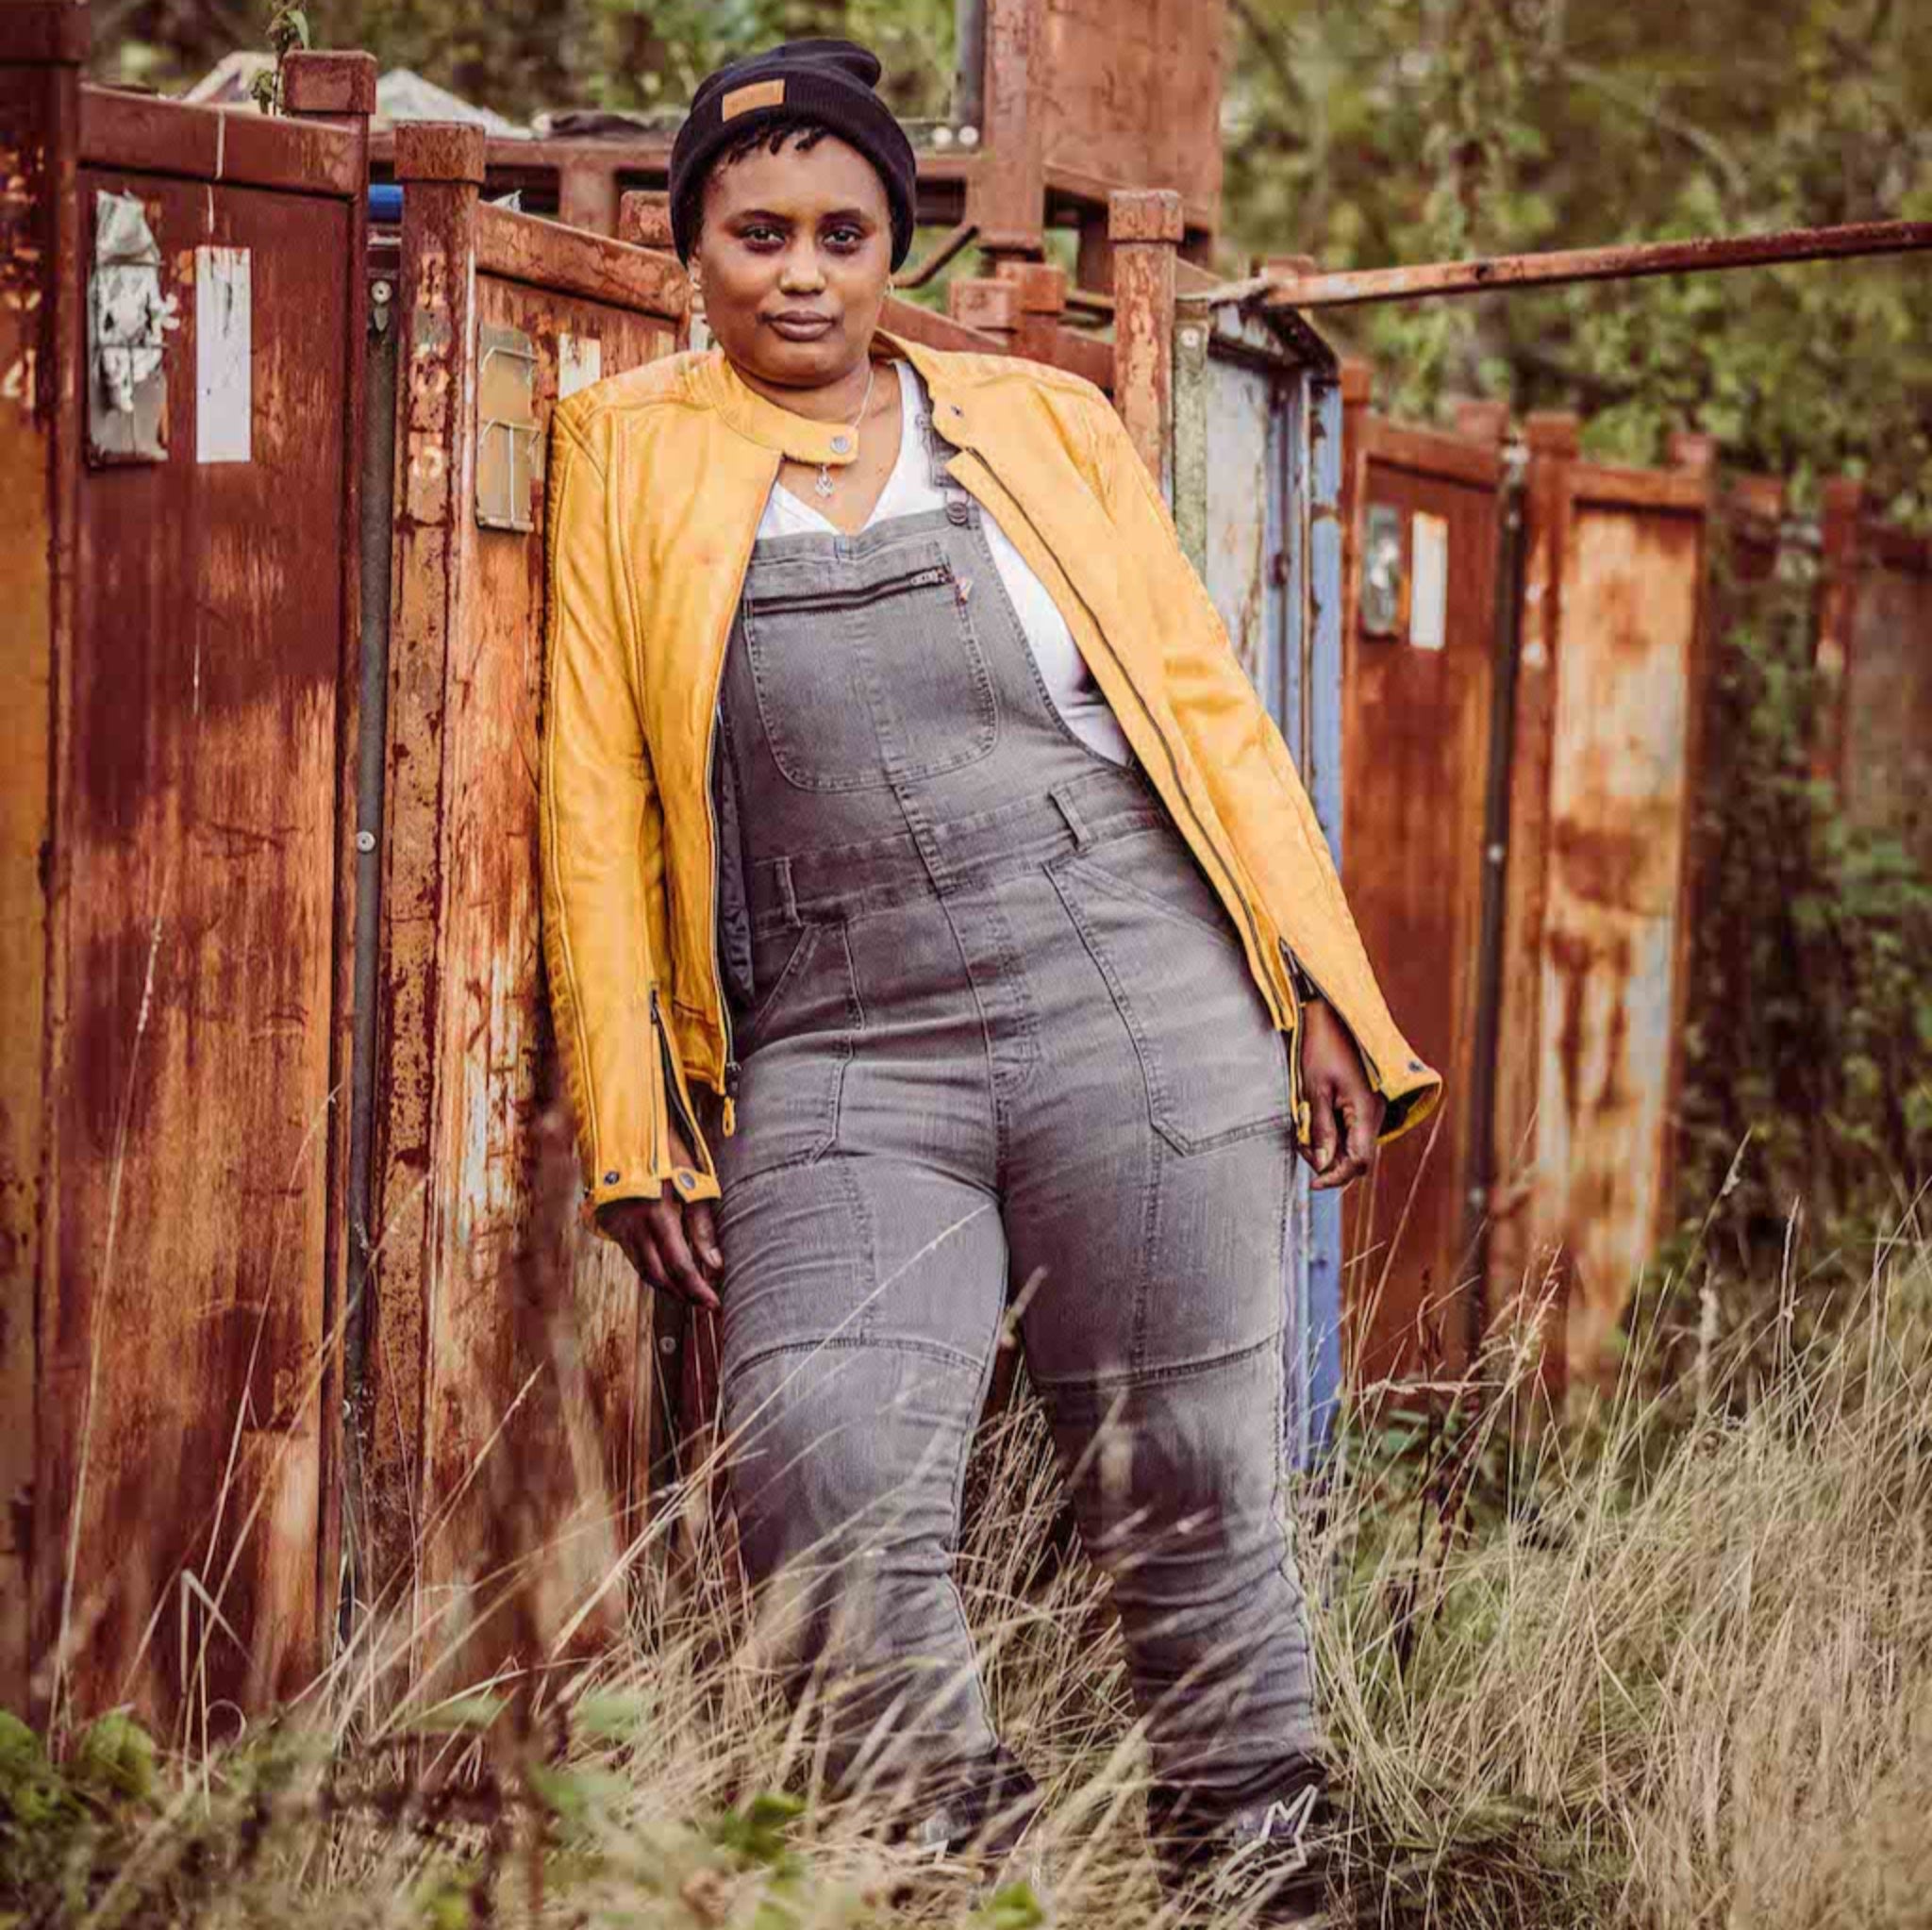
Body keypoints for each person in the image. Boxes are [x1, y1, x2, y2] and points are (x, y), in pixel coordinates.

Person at [538, 36, 1440, 1915]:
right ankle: (955, 1873)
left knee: (1185, 1464)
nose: (802, 272)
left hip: (1125, 960)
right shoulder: (621, 448)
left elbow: (1198, 703)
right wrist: (631, 1123)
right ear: (690, 244)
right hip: (838, 1028)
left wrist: (1323, 984)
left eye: (844, 232)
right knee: (815, 1455)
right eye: (758, 231)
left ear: (895, 249)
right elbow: (589, 798)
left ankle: (1257, 1870)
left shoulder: (1037, 421)